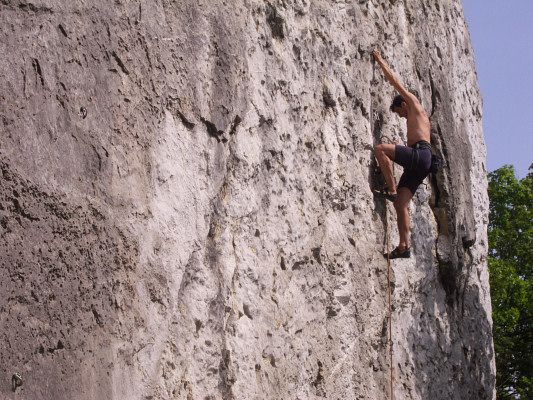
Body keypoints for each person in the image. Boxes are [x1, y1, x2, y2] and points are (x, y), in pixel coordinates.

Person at [372, 49, 432, 259]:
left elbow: (395, 82)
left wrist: (380, 61)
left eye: (400, 112)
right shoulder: (417, 120)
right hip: (420, 162)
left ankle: (390, 190)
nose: (401, 116)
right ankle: (404, 246)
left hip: (421, 154)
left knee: (379, 150)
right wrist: (398, 146)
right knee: (400, 205)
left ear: (403, 104)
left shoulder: (413, 103)